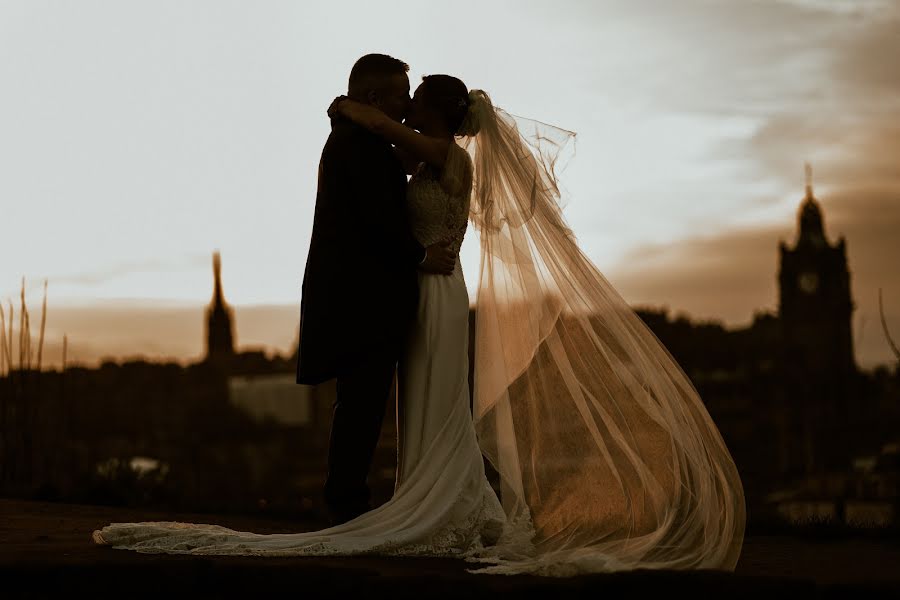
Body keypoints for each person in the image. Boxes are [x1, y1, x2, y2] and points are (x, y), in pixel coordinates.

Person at [92, 53, 746, 577]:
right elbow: (380, 154)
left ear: (429, 110)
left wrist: (352, 110)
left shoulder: (443, 155)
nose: (405, 107)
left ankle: (437, 502)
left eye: (413, 100)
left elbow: (386, 139)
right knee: (423, 400)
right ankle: (423, 498)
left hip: (432, 285)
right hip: (419, 286)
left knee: (433, 398)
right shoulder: (399, 151)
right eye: (398, 98)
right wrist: (351, 114)